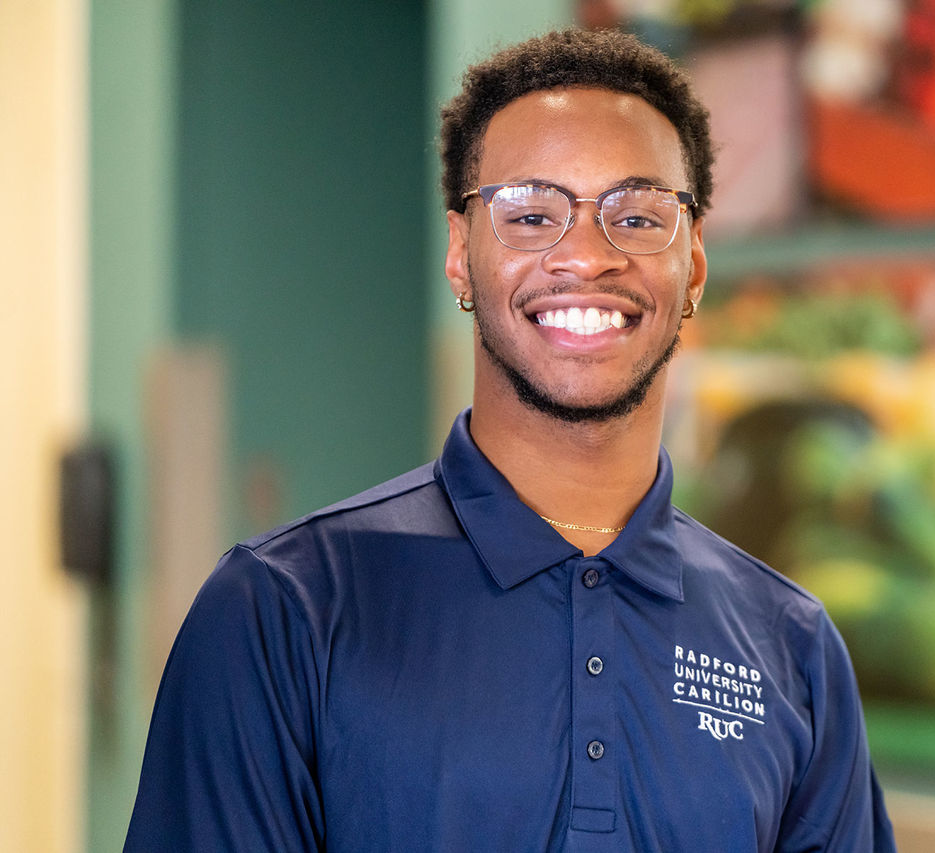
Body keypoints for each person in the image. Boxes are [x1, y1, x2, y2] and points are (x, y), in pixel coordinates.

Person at [125, 27, 896, 852]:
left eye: (637, 216)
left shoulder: (793, 645)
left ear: (695, 267)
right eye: (531, 214)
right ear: (462, 256)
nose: (589, 258)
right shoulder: (283, 609)